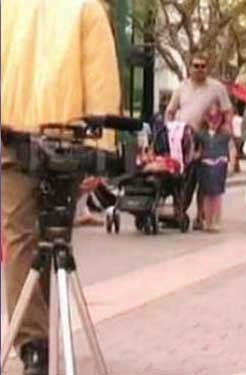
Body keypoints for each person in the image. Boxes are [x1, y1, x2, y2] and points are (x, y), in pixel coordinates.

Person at [1, 0, 121, 373]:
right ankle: (40, 338)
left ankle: (34, 344)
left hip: (16, 137)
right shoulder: (87, 8)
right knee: (53, 243)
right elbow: (101, 84)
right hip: (64, 142)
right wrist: (99, 150)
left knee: (21, 240)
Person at [165, 53, 233, 230]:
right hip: (184, 139)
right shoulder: (181, 88)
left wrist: (225, 129)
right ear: (190, 67)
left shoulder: (216, 87)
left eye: (203, 66)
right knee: (184, 176)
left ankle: (201, 216)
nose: (199, 69)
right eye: (196, 65)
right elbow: (170, 111)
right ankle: (179, 210)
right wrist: (169, 128)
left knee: (205, 176)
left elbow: (227, 111)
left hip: (206, 137)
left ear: (207, 68)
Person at [195, 101, 234, 233]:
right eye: (210, 117)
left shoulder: (225, 133)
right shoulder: (201, 134)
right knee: (206, 193)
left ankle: (216, 220)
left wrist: (231, 163)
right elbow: (196, 149)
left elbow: (231, 147)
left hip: (220, 163)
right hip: (205, 163)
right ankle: (208, 220)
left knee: (217, 193)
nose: (213, 121)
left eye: (216, 117)